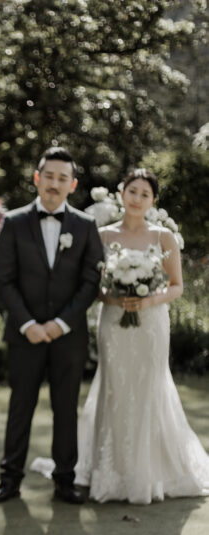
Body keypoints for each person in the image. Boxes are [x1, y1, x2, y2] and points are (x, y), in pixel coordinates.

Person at [76, 168, 209, 502]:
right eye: (132, 191)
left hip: (151, 322)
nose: (137, 199)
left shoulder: (163, 236)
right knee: (115, 387)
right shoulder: (102, 235)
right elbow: (93, 287)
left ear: (154, 201)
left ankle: (151, 473)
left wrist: (148, 299)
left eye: (144, 194)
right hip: (114, 322)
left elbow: (177, 286)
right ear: (122, 193)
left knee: (149, 388)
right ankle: (111, 472)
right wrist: (115, 297)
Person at [0, 146, 103, 505]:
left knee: (66, 407)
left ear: (73, 184)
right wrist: (28, 325)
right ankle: (10, 479)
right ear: (37, 178)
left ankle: (65, 479)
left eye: (62, 178)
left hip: (68, 337)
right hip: (26, 336)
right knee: (20, 405)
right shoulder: (14, 221)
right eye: (48, 176)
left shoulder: (85, 226)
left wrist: (60, 324)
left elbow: (91, 281)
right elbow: (3, 280)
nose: (54, 183)